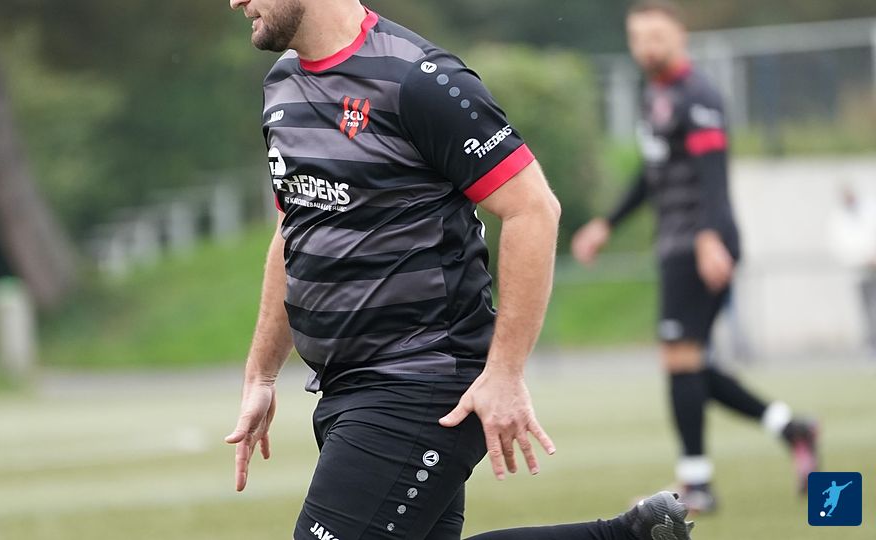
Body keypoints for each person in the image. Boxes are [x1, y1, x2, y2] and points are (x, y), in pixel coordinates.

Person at [224, 1, 695, 539]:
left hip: (420, 380)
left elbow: (533, 209)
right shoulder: (281, 83)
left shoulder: (419, 79)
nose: (236, 1)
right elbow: (295, 227)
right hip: (344, 386)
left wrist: (505, 371)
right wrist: (261, 374)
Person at [571, 0, 817, 513]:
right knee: (689, 365)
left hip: (699, 244)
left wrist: (708, 237)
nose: (647, 48)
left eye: (657, 37)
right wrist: (607, 224)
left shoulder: (698, 95)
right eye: (638, 38)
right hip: (677, 244)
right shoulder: (655, 95)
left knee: (681, 361)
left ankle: (698, 484)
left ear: (680, 36)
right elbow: (651, 174)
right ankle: (791, 428)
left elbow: (713, 175)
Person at [829, 185, 876, 354]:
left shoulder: (869, 209)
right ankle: (871, 344)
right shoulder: (838, 219)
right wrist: (863, 259)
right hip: (859, 271)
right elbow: (841, 246)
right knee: (866, 310)